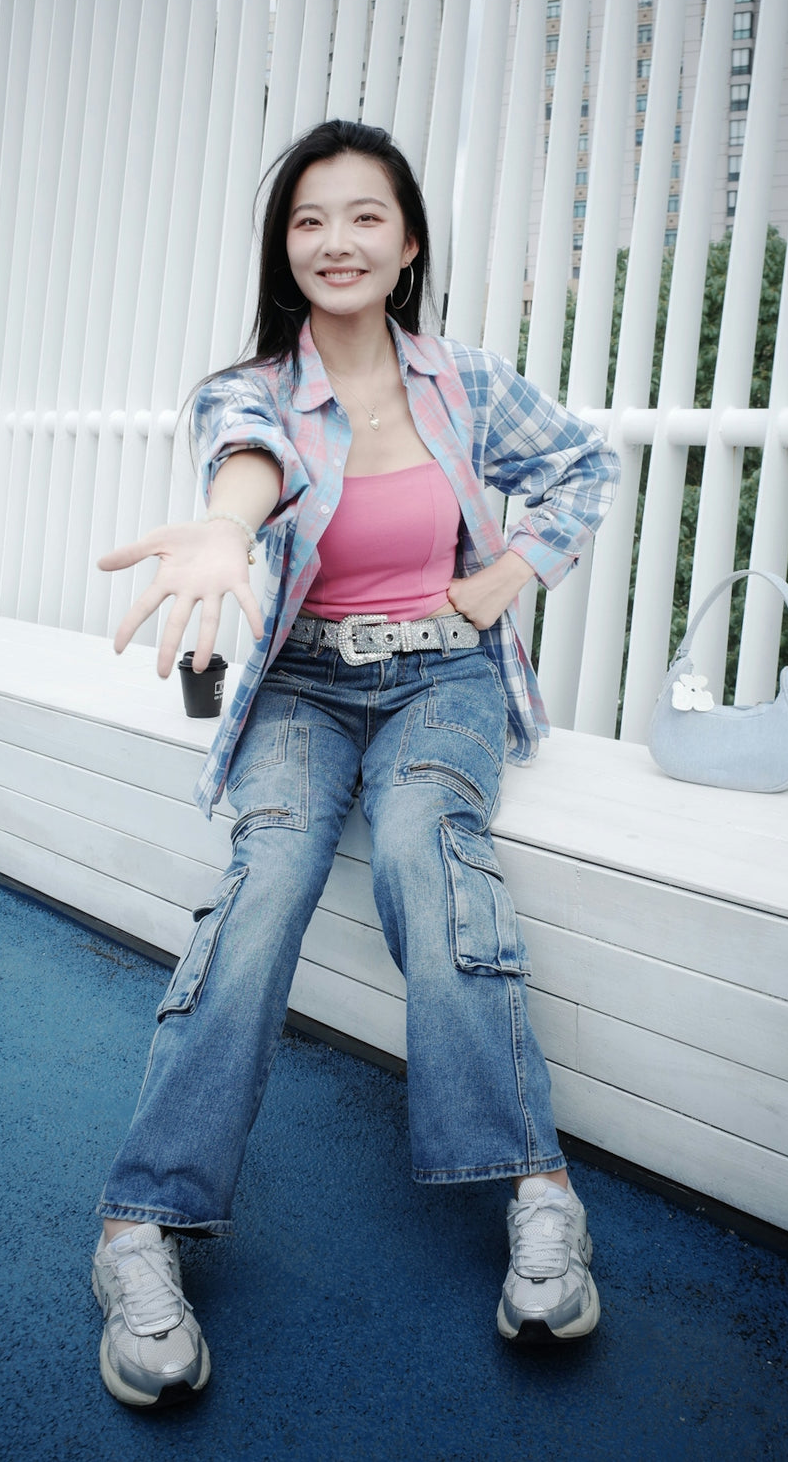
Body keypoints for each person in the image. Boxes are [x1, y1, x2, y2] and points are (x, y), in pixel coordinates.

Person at [90, 119, 620, 1406]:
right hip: (304, 685)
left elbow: (584, 464)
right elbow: (245, 462)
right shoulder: (254, 389)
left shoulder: (463, 381)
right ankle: (138, 1224)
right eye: (310, 219)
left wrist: (504, 575)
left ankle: (537, 1189)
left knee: (420, 852)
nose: (336, 240)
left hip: (440, 676)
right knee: (268, 875)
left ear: (408, 240)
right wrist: (225, 528)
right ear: (285, 245)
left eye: (364, 215)